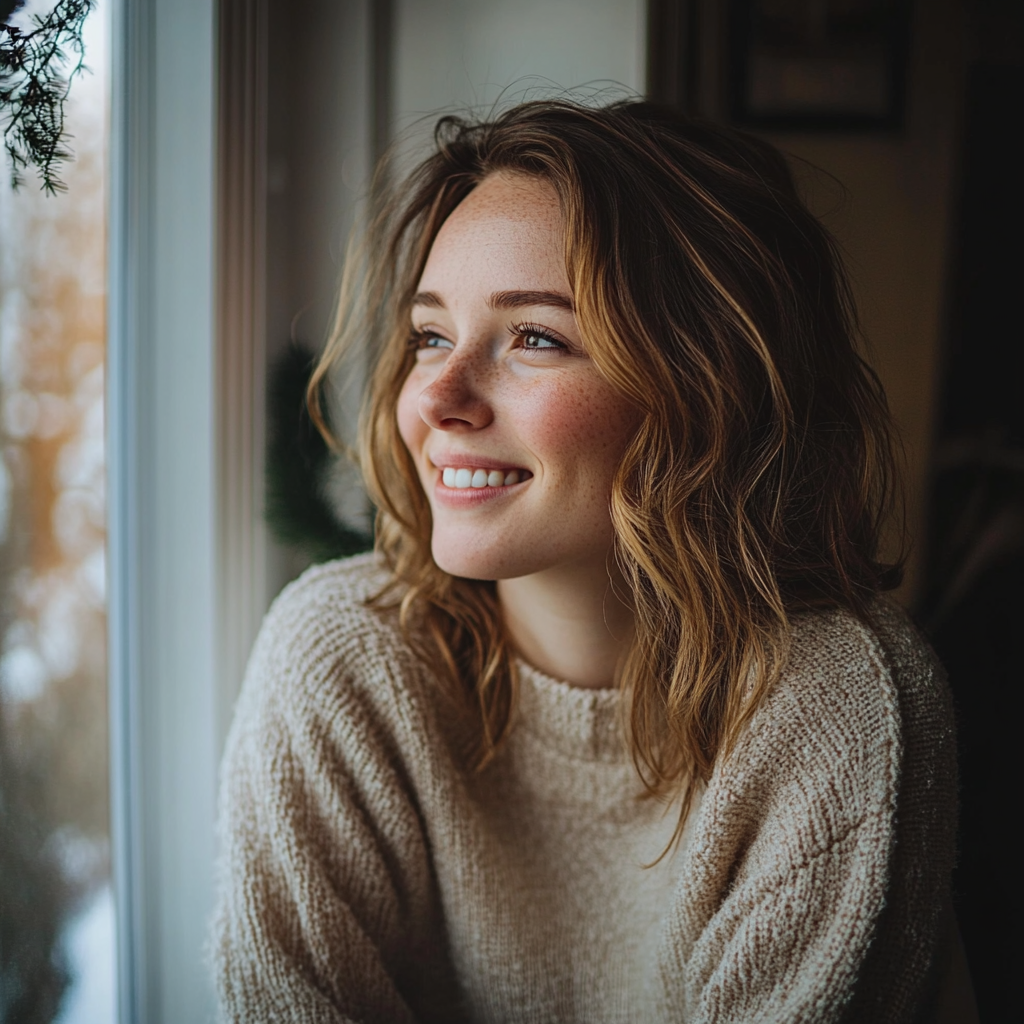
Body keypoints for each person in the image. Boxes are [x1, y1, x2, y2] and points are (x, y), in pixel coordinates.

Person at [211, 100, 967, 1023]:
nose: (439, 397)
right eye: (429, 336)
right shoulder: (337, 660)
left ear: (706, 387)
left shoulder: (841, 705)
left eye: (535, 336)